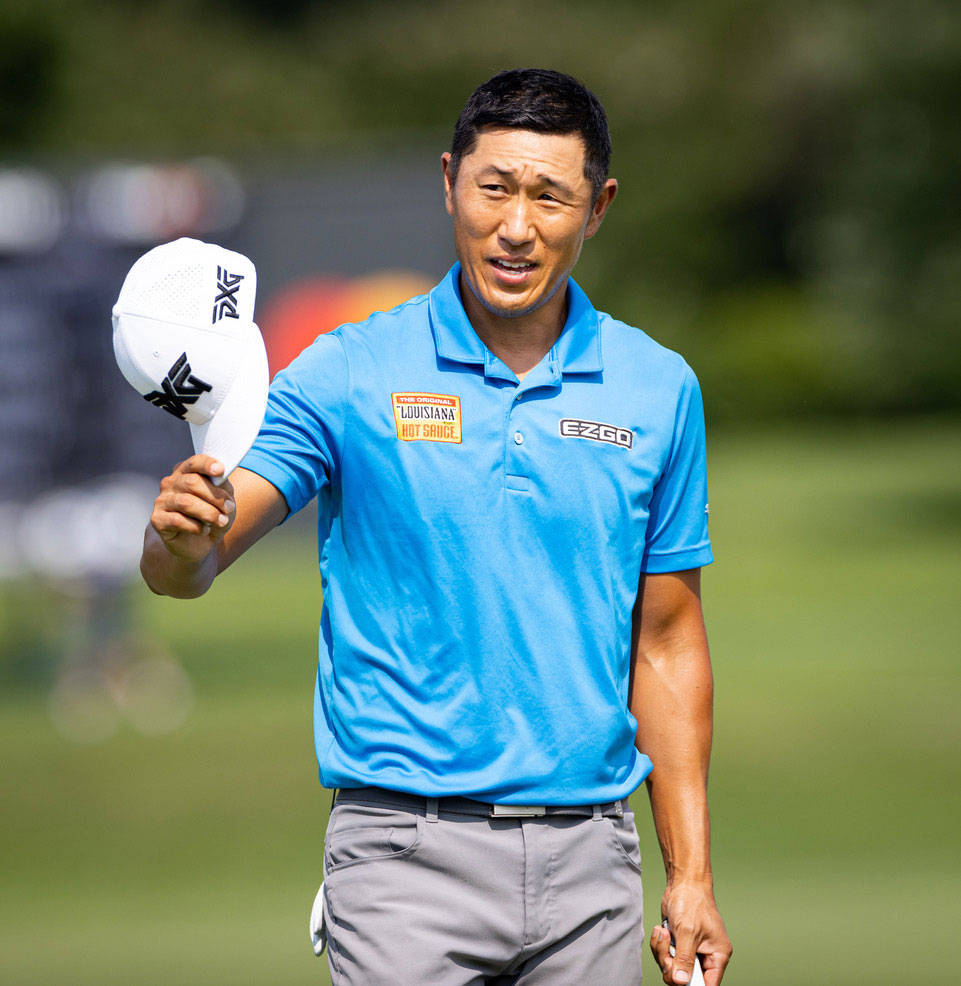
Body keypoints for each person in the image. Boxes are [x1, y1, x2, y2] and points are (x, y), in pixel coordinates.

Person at [140, 68, 732, 986]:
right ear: (449, 180)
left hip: (593, 866)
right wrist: (178, 540)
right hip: (403, 861)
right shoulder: (348, 370)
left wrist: (689, 875)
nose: (516, 225)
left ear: (599, 205)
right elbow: (195, 559)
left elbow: (665, 642)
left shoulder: (658, 389)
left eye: (550, 196)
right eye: (493, 187)